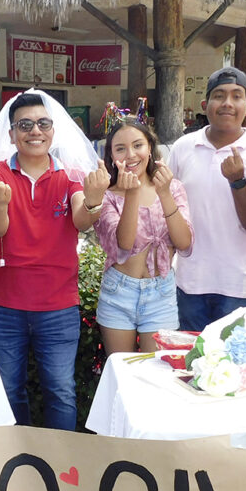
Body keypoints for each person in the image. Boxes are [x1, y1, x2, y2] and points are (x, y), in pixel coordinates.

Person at [0, 90, 101, 430]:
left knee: (61, 390)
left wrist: (94, 201)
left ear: (53, 130)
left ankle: (60, 464)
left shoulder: (70, 176)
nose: (35, 131)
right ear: (11, 134)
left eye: (43, 123)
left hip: (57, 305)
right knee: (9, 390)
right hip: (4, 305)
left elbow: (81, 220)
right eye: (24, 125)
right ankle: (18, 458)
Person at [167, 67, 246, 331]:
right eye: (219, 95)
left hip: (238, 285)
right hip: (188, 282)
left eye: (236, 96)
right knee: (187, 366)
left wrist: (238, 180)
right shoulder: (182, 147)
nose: (227, 103)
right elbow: (167, 209)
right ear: (205, 105)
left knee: (234, 367)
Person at [93, 117, 193, 355]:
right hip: (119, 293)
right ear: (111, 157)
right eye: (120, 149)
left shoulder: (173, 186)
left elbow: (185, 242)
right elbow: (123, 246)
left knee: (156, 373)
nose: (130, 155)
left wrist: (165, 193)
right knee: (122, 371)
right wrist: (132, 194)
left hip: (161, 293)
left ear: (150, 147)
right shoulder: (107, 195)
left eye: (138, 145)